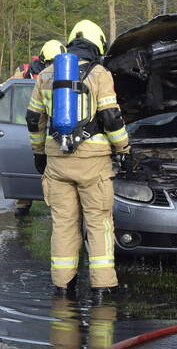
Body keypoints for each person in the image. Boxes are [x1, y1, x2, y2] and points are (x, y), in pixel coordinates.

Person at [26, 20, 131, 299]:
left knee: (63, 224)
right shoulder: (100, 74)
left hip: (57, 161)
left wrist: (39, 153)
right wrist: (124, 148)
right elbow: (111, 118)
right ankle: (102, 287)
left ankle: (62, 285)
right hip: (93, 163)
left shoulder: (47, 75)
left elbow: (33, 119)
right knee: (98, 223)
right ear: (98, 44)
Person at [0, 39, 66, 217]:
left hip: (50, 127)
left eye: (56, 63)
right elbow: (6, 87)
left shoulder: (66, 73)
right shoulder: (25, 73)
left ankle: (56, 204)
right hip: (24, 125)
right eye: (50, 63)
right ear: (43, 60)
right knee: (27, 163)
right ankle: (23, 201)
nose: (53, 67)